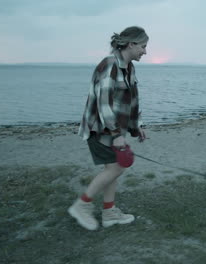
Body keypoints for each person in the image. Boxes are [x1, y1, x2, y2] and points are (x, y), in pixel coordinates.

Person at [68, 26, 149, 230]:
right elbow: (104, 104)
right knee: (116, 167)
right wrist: (116, 135)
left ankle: (109, 212)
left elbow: (131, 101)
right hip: (100, 129)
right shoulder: (110, 65)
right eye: (143, 46)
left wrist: (137, 125)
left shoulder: (129, 67)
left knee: (113, 168)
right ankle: (82, 204)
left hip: (115, 131)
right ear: (131, 44)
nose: (145, 52)